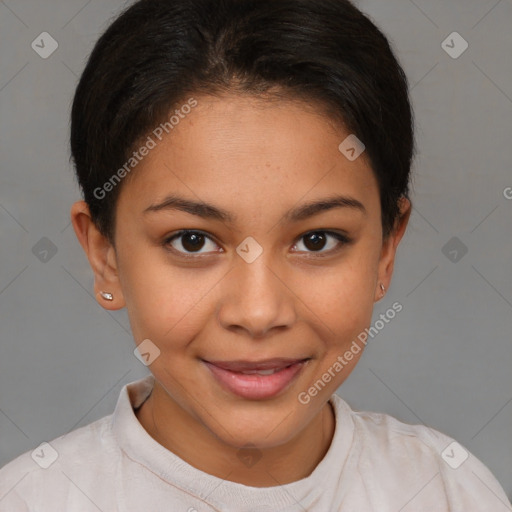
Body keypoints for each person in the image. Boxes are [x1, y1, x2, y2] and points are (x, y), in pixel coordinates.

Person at [1, 0, 510, 510]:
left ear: (385, 251)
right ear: (104, 255)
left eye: (317, 240)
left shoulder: (450, 491)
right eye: (192, 241)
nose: (259, 312)